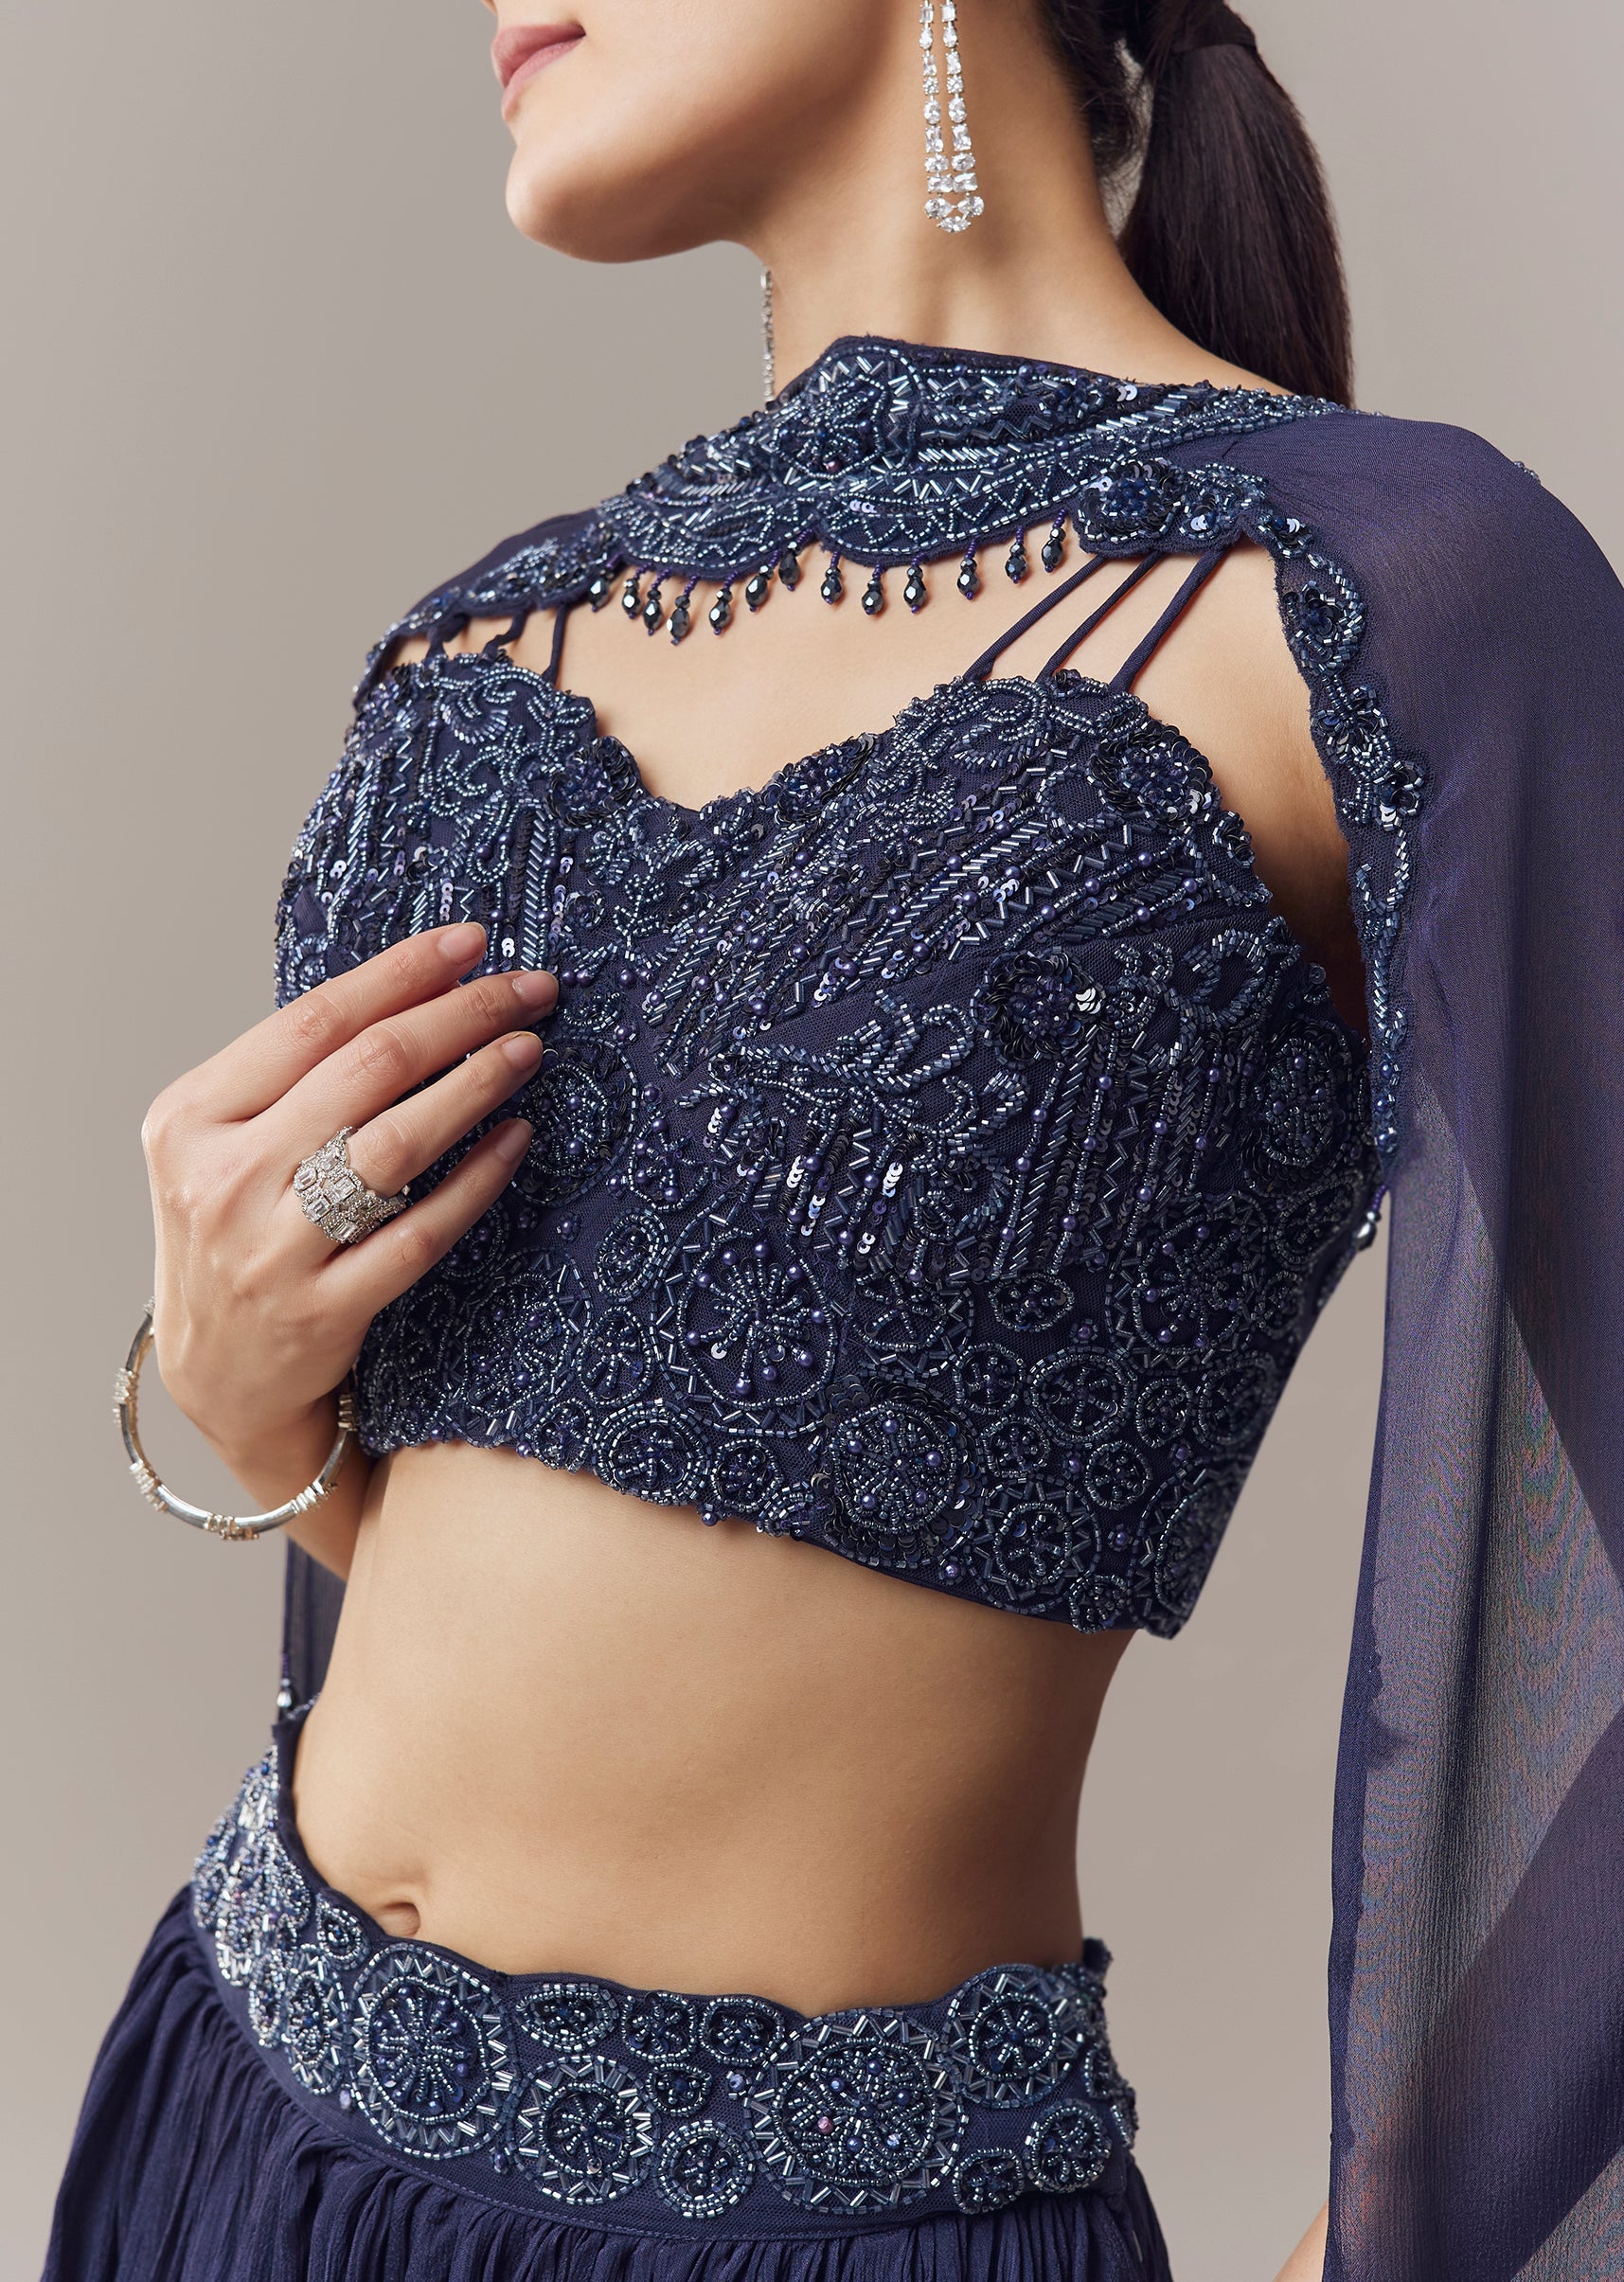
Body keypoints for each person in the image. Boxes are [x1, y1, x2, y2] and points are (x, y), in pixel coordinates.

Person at [45, 2, 1624, 2278]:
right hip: (231, 2125)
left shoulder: (1395, 587)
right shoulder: (488, 632)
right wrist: (244, 1398)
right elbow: (499, 1560)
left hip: (838, 2224)